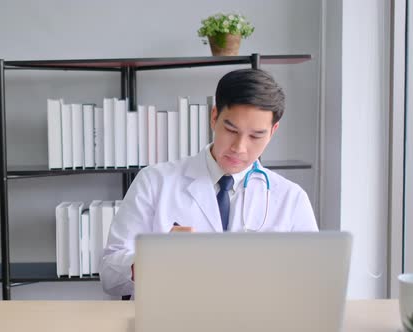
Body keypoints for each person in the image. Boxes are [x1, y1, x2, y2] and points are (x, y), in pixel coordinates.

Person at [99, 68, 318, 297]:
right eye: (231, 130)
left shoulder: (291, 199)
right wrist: (153, 259)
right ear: (214, 117)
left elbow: (312, 282)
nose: (239, 147)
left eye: (255, 136)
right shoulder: (154, 182)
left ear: (272, 132)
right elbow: (110, 277)